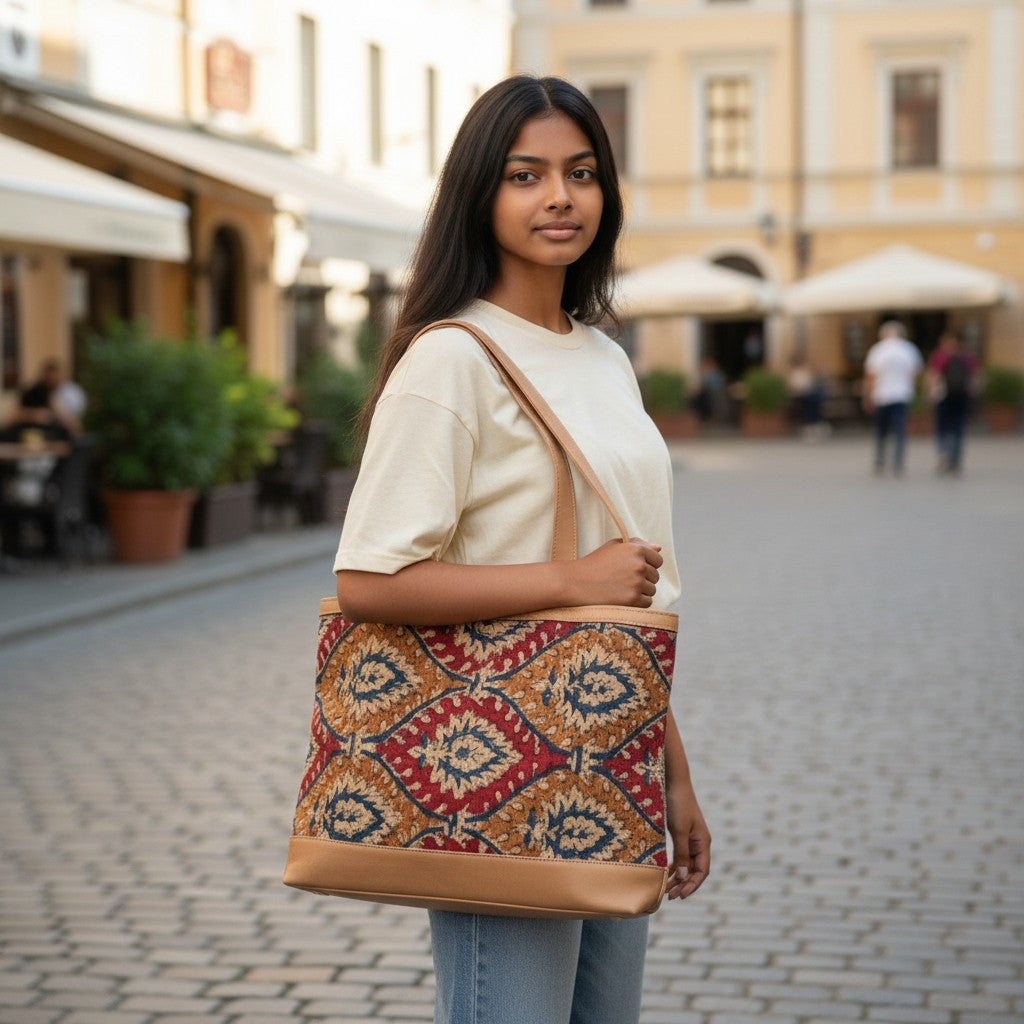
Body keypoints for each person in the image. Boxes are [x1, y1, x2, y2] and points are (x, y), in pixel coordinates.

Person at [331, 75, 711, 1024]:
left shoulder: (604, 358)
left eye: (581, 173)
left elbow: (627, 597)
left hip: (608, 755)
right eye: (526, 174)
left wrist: (672, 770)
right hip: (497, 766)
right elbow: (368, 576)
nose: (560, 196)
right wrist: (565, 580)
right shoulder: (450, 358)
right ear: (480, 194)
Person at [862, 321, 923, 475]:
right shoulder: (909, 349)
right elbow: (914, 374)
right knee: (900, 430)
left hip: (882, 395)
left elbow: (871, 376)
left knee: (881, 430)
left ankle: (880, 460)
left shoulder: (877, 350)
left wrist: (868, 396)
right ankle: (898, 461)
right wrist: (912, 391)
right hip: (902, 395)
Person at [926, 331, 977, 475]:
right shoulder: (967, 356)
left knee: (942, 426)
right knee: (958, 427)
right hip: (961, 396)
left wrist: (929, 393)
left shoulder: (940, 356)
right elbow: (974, 377)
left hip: (943, 396)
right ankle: (956, 458)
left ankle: (943, 453)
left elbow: (933, 375)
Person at [4, 358, 85, 440]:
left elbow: (68, 419)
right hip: (31, 435)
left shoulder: (65, 392)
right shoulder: (36, 391)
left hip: (49, 436)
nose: (54, 380)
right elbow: (13, 417)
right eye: (51, 378)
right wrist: (33, 415)